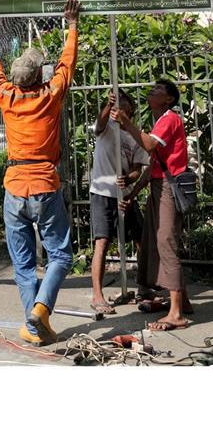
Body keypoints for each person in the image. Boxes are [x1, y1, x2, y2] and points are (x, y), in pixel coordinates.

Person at [0, 0, 81, 346]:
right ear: (39, 76)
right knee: (60, 255)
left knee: (24, 265)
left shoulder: (6, 96)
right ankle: (40, 311)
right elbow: (67, 64)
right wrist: (72, 26)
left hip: (14, 188)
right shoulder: (50, 96)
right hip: (45, 184)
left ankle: (33, 327)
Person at [113, 78, 195, 331]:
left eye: (159, 89)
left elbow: (147, 145)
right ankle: (181, 302)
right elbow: (154, 166)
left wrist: (127, 122)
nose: (153, 90)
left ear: (169, 99)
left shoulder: (170, 119)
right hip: (160, 187)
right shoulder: (160, 122)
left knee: (165, 242)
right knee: (153, 241)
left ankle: (177, 314)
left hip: (168, 190)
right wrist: (134, 192)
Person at [88, 90, 149, 315]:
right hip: (103, 192)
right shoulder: (107, 129)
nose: (118, 109)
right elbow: (99, 123)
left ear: (130, 111)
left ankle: (143, 286)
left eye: (123, 106)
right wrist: (107, 106)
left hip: (126, 194)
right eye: (116, 105)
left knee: (140, 238)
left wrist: (128, 178)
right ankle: (97, 295)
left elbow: (137, 169)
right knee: (102, 241)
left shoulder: (134, 136)